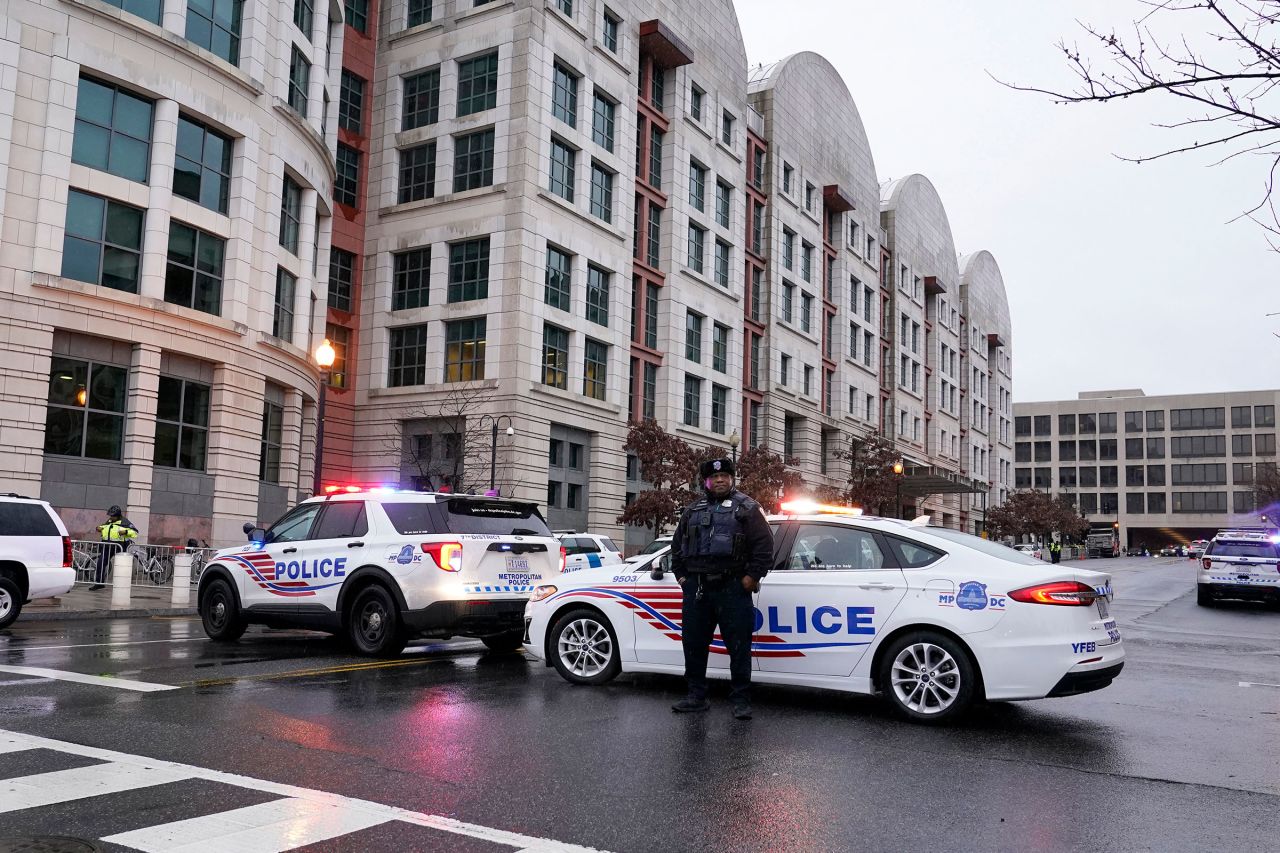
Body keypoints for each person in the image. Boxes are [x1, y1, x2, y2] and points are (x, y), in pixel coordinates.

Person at [666, 457, 774, 721]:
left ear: (732, 479)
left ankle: (740, 700)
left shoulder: (747, 508)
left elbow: (764, 547)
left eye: (725, 476)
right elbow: (677, 547)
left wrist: (750, 578)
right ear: (706, 481)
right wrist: (682, 578)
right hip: (698, 589)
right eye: (715, 477)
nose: (720, 480)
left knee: (738, 646)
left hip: (732, 587)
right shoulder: (692, 510)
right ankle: (696, 696)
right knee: (693, 644)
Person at [93, 505, 138, 590]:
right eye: (110, 515)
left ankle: (122, 584)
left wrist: (125, 531)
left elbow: (135, 532)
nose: (111, 517)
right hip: (107, 546)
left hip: (120, 547)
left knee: (121, 566)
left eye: (113, 516)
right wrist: (99, 528)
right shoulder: (110, 521)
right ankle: (99, 583)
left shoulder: (125, 522)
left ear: (118, 515)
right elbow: (105, 527)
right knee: (100, 564)